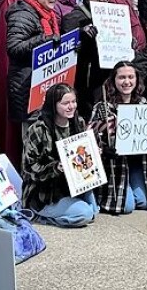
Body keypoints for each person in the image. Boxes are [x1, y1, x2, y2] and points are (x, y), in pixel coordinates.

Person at [21, 83, 100, 226]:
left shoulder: (79, 122)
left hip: (74, 185)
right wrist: (56, 167)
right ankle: (40, 216)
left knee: (94, 211)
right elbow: (28, 168)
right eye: (65, 103)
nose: (71, 107)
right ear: (54, 105)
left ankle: (68, 208)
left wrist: (94, 152)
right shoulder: (38, 129)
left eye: (73, 102)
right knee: (85, 214)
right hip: (45, 192)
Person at [88, 63, 147, 214]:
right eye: (122, 77)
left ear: (137, 80)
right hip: (115, 167)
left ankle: (130, 186)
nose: (127, 82)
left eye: (131, 77)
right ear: (114, 80)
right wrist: (104, 148)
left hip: (136, 164)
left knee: (144, 202)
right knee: (126, 207)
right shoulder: (103, 106)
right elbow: (90, 136)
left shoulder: (144, 104)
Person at [6, 0, 60, 127]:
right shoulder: (23, 14)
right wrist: (44, 40)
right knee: (31, 136)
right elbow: (14, 47)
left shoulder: (47, 14)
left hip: (42, 83)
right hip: (26, 86)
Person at [62, 0, 110, 112]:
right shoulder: (74, 17)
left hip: (103, 75)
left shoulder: (110, 17)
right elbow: (67, 46)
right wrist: (81, 34)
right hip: (84, 78)